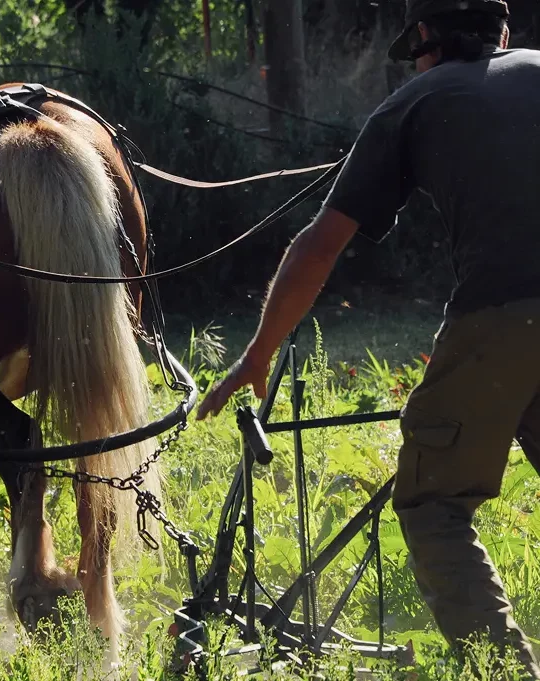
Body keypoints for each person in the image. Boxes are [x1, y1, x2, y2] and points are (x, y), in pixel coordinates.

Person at [196, 0, 540, 676]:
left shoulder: (415, 100)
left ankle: (506, 672)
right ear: (502, 32)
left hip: (503, 312)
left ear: (426, 43)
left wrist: (257, 354)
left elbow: (319, 247)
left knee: (432, 501)